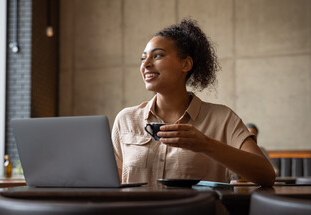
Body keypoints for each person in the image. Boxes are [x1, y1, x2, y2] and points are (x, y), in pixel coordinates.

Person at [111, 18, 275, 187]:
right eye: (143, 58)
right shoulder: (126, 119)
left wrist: (205, 144)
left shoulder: (223, 119)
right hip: (135, 214)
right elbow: (112, 188)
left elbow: (267, 176)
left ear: (186, 64)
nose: (145, 64)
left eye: (157, 55)